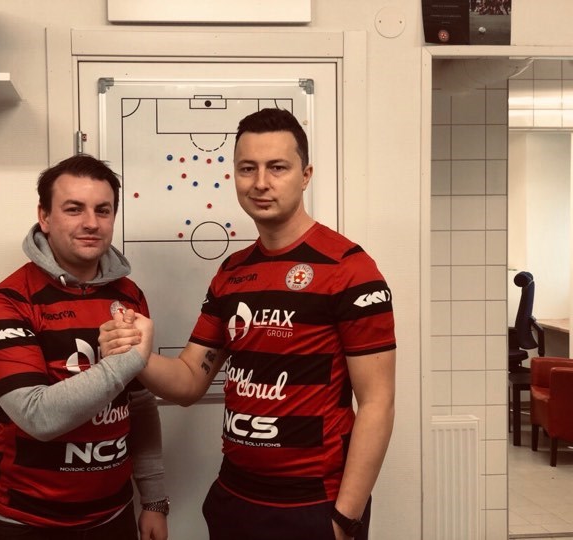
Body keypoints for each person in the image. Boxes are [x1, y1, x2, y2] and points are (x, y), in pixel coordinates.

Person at [100, 108, 396, 540]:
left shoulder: (349, 269)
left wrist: (344, 519)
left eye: (277, 167)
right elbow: (189, 380)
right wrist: (135, 354)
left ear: (305, 175)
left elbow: (377, 404)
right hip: (235, 499)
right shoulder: (232, 272)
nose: (260, 182)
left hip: (314, 504)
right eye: (247, 168)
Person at [0, 154, 168, 540]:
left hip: (113, 515)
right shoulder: (7, 302)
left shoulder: (130, 296)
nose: (91, 223)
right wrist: (126, 361)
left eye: (103, 210)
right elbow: (38, 417)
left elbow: (140, 404)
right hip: (25, 520)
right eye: (74, 209)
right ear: (44, 217)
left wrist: (154, 501)